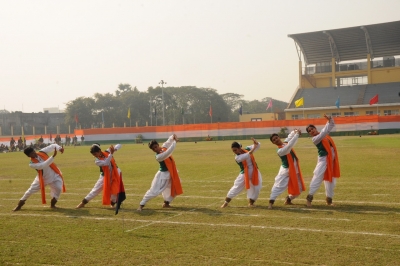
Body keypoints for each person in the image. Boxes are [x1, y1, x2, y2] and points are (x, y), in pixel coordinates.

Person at [12, 144, 66, 211]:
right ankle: (19, 205)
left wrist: (59, 148)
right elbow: (43, 165)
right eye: (32, 153)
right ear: (29, 156)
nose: (34, 153)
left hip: (54, 175)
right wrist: (53, 156)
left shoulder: (42, 152)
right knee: (29, 191)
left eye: (34, 151)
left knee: (58, 188)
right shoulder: (31, 164)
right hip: (42, 178)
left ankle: (53, 205)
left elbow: (52, 146)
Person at [137, 134, 183, 211]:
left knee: (175, 188)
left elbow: (168, 142)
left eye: (156, 147)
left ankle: (166, 203)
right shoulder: (158, 156)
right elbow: (168, 152)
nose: (156, 149)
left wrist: (172, 137)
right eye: (153, 149)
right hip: (162, 176)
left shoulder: (163, 148)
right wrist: (174, 142)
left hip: (171, 174)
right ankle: (141, 204)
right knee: (154, 191)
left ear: (158, 145)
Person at [305, 114, 340, 207]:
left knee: (331, 180)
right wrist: (328, 122)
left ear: (315, 128)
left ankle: (329, 200)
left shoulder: (324, 135)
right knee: (317, 178)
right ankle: (309, 198)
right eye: (309, 131)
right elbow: (325, 131)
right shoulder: (316, 138)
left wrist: (330, 120)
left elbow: (330, 126)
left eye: (312, 129)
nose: (311, 131)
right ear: (309, 134)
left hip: (331, 161)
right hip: (323, 161)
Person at [76, 143, 124, 210]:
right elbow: (106, 163)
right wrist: (111, 154)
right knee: (95, 190)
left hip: (115, 174)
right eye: (93, 155)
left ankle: (112, 203)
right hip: (104, 177)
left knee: (115, 190)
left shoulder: (107, 151)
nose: (95, 156)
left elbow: (119, 145)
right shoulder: (97, 161)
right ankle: (83, 202)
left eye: (95, 154)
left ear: (99, 151)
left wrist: (115, 149)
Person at [268, 129, 306, 209]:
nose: (276, 140)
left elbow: (290, 137)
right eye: (274, 140)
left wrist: (295, 131)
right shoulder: (280, 151)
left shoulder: (285, 143)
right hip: (286, 171)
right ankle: (271, 202)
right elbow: (289, 146)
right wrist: (297, 134)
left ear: (279, 137)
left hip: (294, 169)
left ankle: (288, 199)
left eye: (276, 138)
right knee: (279, 186)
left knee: (299, 188)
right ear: (273, 143)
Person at [221, 138, 262, 208]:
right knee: (237, 187)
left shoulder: (246, 149)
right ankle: (226, 202)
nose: (234, 152)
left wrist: (256, 143)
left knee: (257, 187)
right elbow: (248, 154)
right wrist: (254, 147)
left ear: (240, 148)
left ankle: (251, 202)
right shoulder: (237, 157)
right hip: (244, 173)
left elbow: (257, 146)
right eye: (233, 151)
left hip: (255, 171)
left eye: (235, 150)